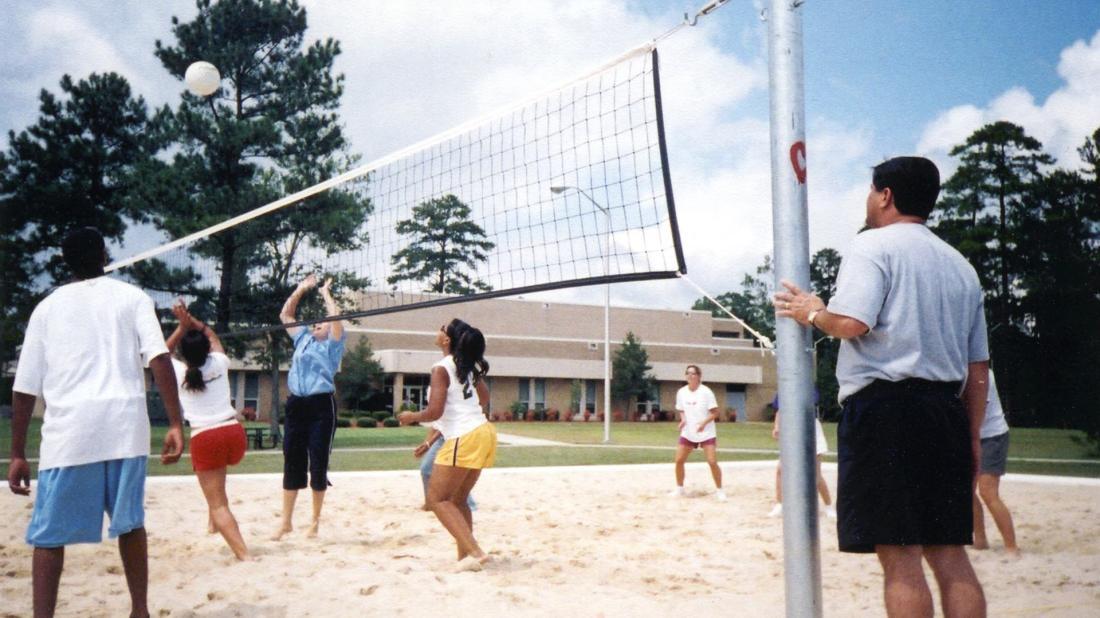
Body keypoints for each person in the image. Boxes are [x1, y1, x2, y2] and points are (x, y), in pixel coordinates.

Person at [774, 156, 989, 617]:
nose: (868, 200)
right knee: (950, 554)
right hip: (945, 414)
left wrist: (812, 312)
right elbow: (978, 367)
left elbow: (852, 322)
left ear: (886, 195)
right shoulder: (961, 266)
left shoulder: (873, 246)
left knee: (900, 557)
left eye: (872, 191)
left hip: (887, 413)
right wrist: (972, 435)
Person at [7, 227, 185, 618]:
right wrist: (175, 422)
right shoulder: (133, 298)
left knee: (49, 538)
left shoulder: (46, 308)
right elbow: (158, 359)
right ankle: (140, 610)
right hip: (124, 429)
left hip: (70, 435)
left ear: (64, 262)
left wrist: (17, 452)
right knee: (130, 526)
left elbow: (24, 388)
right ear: (105, 255)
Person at [399, 319, 497, 572]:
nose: (438, 330)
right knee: (458, 499)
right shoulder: (465, 366)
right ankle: (465, 558)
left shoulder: (441, 368)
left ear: (447, 340)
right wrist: (431, 438)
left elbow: (434, 411)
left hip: (464, 436)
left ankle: (476, 552)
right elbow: (484, 399)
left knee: (436, 499)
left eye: (442, 329)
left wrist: (411, 417)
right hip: (483, 432)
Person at [165, 300, 250, 560]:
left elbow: (162, 351)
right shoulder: (219, 362)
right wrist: (192, 322)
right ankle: (213, 525)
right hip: (233, 433)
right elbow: (211, 335)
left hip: (207, 436)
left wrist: (181, 327)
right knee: (217, 482)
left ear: (184, 354)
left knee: (218, 503)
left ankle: (245, 555)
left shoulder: (179, 371)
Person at [272, 274, 347, 541]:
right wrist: (302, 288)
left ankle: (314, 522)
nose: (317, 324)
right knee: (292, 459)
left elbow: (336, 320)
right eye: (315, 323)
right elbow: (285, 314)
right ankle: (286, 522)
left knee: (318, 463)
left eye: (321, 323)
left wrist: (326, 293)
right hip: (296, 405)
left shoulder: (333, 345)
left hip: (320, 406)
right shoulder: (302, 338)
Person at [972, 370, 1018, 556]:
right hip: (971, 436)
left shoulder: (982, 373)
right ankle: (980, 540)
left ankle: (1011, 546)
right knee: (965, 491)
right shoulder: (954, 367)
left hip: (992, 436)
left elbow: (978, 409)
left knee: (988, 492)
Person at [768, 394, 835, 519]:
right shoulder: (783, 388)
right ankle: (780, 504)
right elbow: (780, 411)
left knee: (815, 474)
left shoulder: (808, 385)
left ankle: (828, 506)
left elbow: (806, 405)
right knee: (781, 470)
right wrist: (776, 427)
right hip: (792, 428)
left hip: (810, 428)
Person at [668, 365, 726, 501]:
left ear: (699, 376)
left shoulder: (706, 392)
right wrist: (683, 420)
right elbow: (681, 409)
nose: (690, 376)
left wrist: (704, 423)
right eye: (688, 373)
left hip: (706, 432)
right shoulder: (681, 392)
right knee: (679, 461)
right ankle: (679, 489)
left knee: (712, 461)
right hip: (688, 432)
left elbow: (716, 412)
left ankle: (720, 490)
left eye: (693, 374)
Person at [415, 422, 476, 512]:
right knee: (426, 469)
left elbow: (442, 425)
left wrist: (429, 443)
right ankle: (430, 503)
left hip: (458, 436)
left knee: (454, 472)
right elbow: (436, 424)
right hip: (444, 437)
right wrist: (426, 444)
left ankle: (467, 504)